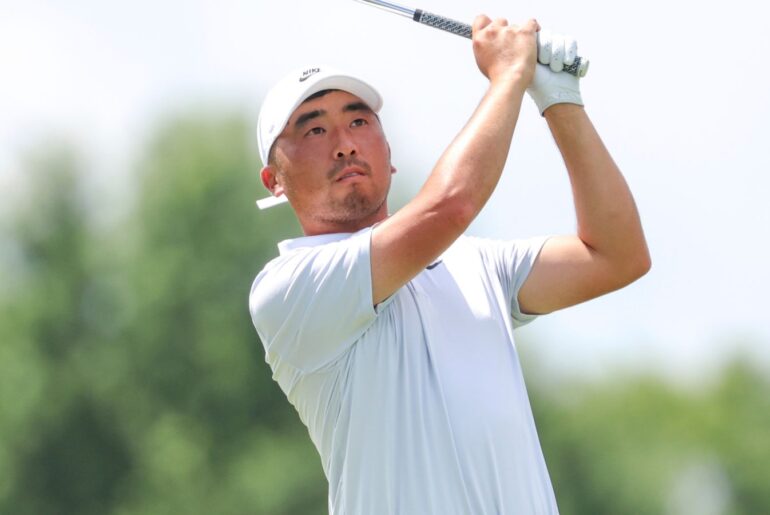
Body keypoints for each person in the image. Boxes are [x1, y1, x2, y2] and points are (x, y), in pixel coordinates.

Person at [249, 15, 650, 515]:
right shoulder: (288, 291)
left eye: (358, 121)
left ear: (389, 154)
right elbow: (451, 204)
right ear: (274, 181)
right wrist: (509, 77)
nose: (345, 142)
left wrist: (559, 100)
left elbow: (617, 255)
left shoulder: (475, 262)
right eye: (313, 129)